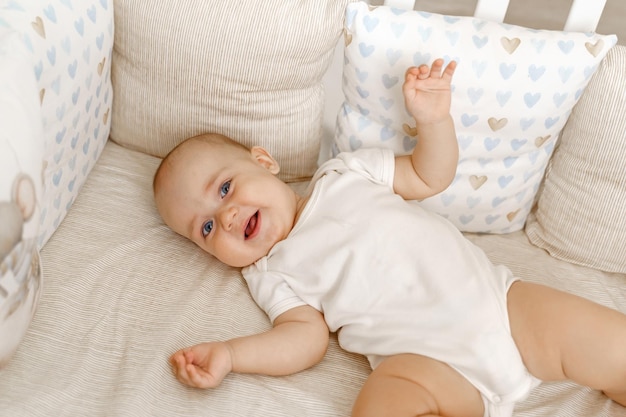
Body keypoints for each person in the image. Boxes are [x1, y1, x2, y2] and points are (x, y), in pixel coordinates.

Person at [153, 59, 626, 417]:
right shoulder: (269, 273)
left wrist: (434, 121)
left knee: (614, 346)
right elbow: (303, 340)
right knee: (383, 403)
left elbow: (428, 175)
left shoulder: (343, 173)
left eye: (225, 188)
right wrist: (233, 355)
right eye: (208, 228)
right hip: (425, 364)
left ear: (264, 161)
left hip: (504, 309)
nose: (229, 216)